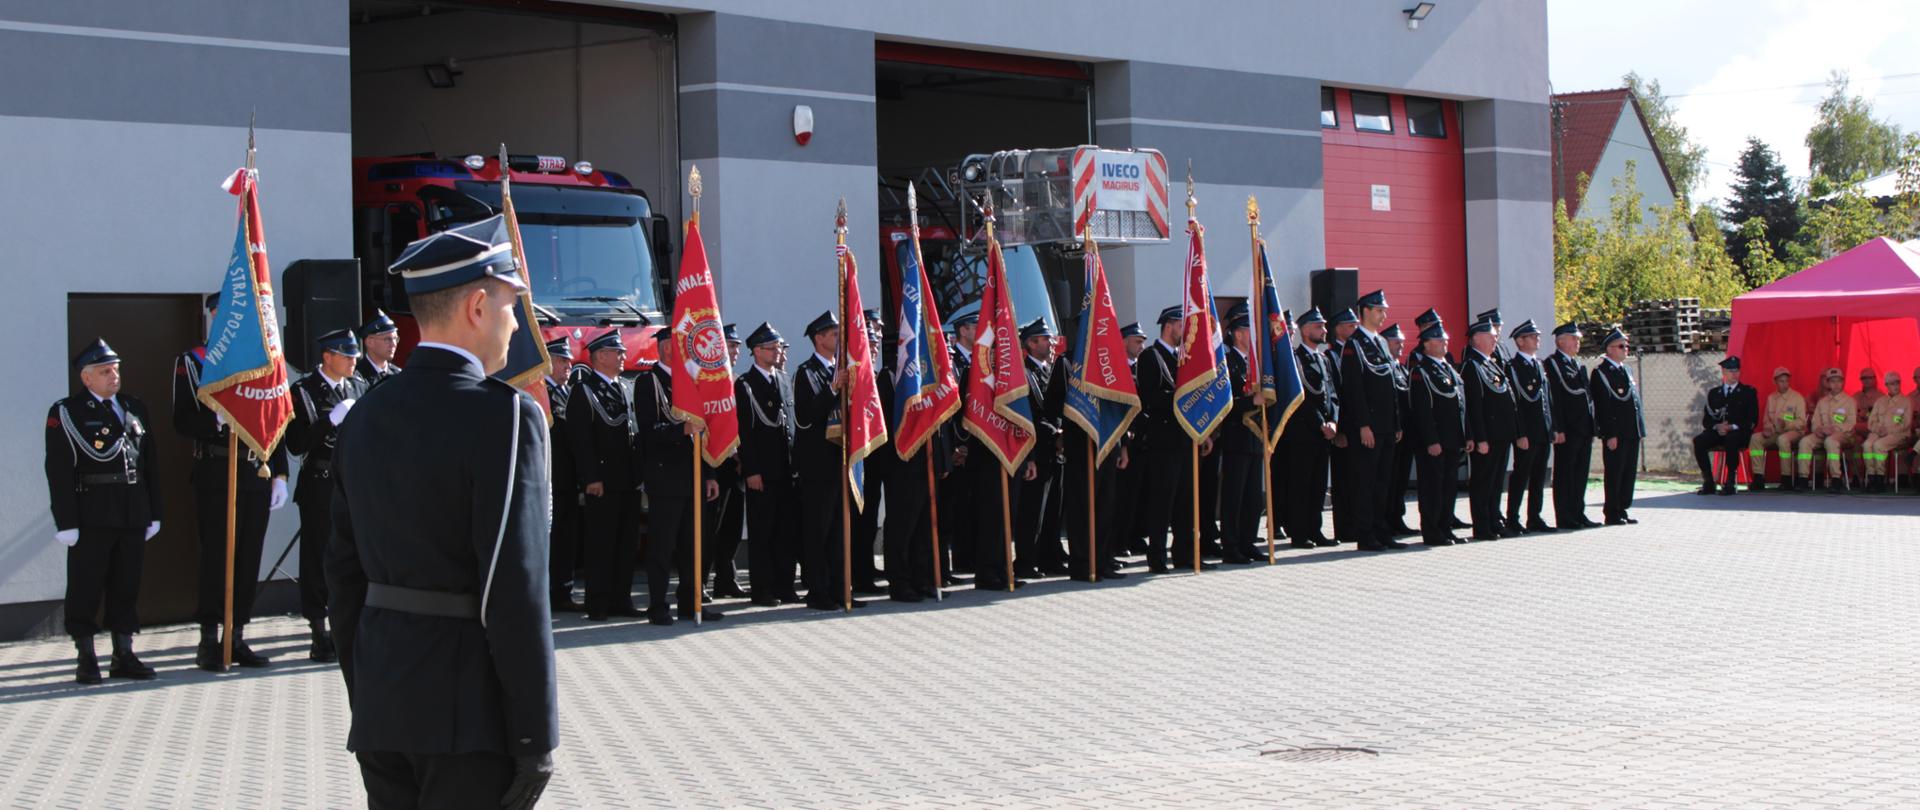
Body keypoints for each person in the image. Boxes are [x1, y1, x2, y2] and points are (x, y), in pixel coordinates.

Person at [325, 214, 556, 809]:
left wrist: (366, 692)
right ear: (477, 306)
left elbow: (343, 576)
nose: (516, 322)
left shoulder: (365, 414)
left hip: (382, 700)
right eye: (510, 305)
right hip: (468, 712)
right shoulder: (505, 416)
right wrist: (534, 735)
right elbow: (514, 586)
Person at [176, 292, 289, 671]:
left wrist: (280, 472)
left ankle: (236, 635)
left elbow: (275, 415)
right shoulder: (194, 362)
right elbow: (180, 420)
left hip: (255, 470)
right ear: (212, 317)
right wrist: (215, 421)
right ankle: (209, 639)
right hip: (217, 469)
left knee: (248, 557)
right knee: (217, 557)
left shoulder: (261, 360)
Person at [46, 339, 160, 684]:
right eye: (105, 371)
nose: (114, 376)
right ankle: (86, 656)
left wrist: (154, 511)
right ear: (86, 378)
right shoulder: (68, 412)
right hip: (93, 512)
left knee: (126, 585)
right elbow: (59, 470)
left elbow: (150, 464)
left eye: (116, 369)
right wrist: (66, 521)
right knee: (86, 586)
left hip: (132, 510)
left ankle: (123, 653)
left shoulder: (133, 407)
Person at [285, 328, 369, 662]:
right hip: (320, 483)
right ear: (327, 357)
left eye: (355, 356)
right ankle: (318, 629)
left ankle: (347, 623)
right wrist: (329, 421)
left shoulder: (359, 386)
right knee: (318, 557)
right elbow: (296, 443)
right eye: (347, 356)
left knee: (354, 556)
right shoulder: (304, 391)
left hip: (353, 483)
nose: (353, 362)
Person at [633, 340, 725, 625]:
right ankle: (658, 605)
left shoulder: (692, 381)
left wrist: (709, 474)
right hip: (665, 477)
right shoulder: (649, 382)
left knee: (692, 545)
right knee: (662, 546)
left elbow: (703, 434)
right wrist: (680, 429)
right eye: (679, 343)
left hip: (693, 476)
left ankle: (690, 602)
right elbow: (648, 430)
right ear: (665, 348)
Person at [568, 330, 642, 621]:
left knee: (626, 544)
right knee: (601, 544)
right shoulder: (585, 390)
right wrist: (591, 477)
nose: (624, 356)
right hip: (603, 481)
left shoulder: (625, 387)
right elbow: (581, 439)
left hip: (628, 479)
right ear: (600, 356)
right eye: (617, 352)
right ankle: (597, 603)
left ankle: (621, 599)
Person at [794, 311, 866, 608]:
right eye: (834, 334)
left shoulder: (841, 368)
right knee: (818, 531)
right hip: (818, 465)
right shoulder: (806, 373)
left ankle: (841, 589)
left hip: (842, 462)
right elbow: (806, 416)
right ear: (819, 338)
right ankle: (818, 591)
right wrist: (833, 388)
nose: (838, 338)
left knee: (840, 531)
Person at [737, 322, 800, 606]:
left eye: (778, 347)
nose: (777, 352)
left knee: (786, 531)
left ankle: (785, 586)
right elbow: (746, 432)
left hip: (786, 468)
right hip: (762, 471)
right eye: (771, 348)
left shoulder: (783, 379)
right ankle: (762, 589)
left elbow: (790, 426)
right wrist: (752, 470)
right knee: (762, 533)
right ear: (756, 351)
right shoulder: (746, 385)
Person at [1338, 290, 1406, 551]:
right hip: (1369, 427)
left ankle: (1382, 530)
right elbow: (1353, 389)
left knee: (1383, 482)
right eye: (1379, 310)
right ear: (1365, 311)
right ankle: (1365, 534)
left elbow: (1391, 387)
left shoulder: (1380, 342)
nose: (1383, 315)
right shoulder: (1354, 345)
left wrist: (1396, 423)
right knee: (1366, 482)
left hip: (1387, 425)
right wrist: (1363, 425)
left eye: (1384, 310)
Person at [1135, 306, 1201, 571]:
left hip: (1185, 438)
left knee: (1186, 502)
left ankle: (1185, 555)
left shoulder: (1181, 357)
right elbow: (1150, 397)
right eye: (1181, 325)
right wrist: (1181, 397)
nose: (1184, 331)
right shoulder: (1151, 356)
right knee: (1162, 502)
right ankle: (1157, 557)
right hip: (1163, 440)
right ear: (1169, 325)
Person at [1276, 308, 1339, 549]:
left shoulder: (1323, 359)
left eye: (1323, 326)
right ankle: (1300, 533)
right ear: (1304, 330)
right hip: (1304, 432)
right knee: (1301, 485)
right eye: (1318, 326)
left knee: (1318, 485)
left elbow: (1331, 394)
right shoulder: (1295, 359)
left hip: (1324, 433)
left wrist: (1333, 421)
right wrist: (1320, 423)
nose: (1324, 330)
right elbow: (1300, 397)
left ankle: (1315, 529)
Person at [1014, 318, 1067, 577]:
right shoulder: (1025, 374)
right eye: (1045, 339)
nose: (1051, 342)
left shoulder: (1052, 370)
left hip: (1056, 451)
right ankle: (1026, 561)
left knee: (1053, 510)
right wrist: (1054, 434)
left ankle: (1050, 557)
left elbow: (1059, 407)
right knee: (1033, 511)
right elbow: (1031, 415)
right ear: (1031, 344)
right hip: (1038, 450)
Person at [1405, 325, 1465, 546]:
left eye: (1445, 340)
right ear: (1427, 344)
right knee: (1432, 488)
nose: (1444, 343)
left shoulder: (1447, 369)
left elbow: (1460, 405)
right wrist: (1431, 440)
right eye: (1439, 340)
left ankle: (1445, 527)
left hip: (1451, 439)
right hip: (1434, 441)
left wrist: (1465, 435)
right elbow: (1421, 410)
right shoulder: (1421, 371)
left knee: (1449, 487)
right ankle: (1432, 531)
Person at [704, 324, 749, 600]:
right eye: (730, 346)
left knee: (733, 526)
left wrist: (743, 456)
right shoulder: (710, 383)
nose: (735, 351)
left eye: (736, 347)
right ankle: (701, 582)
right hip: (716, 463)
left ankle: (726, 578)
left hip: (737, 464)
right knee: (712, 527)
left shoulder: (738, 382)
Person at [1459, 319, 1515, 540]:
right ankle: (1482, 526)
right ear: (1477, 338)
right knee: (1483, 482)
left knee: (1496, 481)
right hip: (1487, 436)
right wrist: (1479, 437)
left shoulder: (1490, 363)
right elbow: (1474, 406)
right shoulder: (1472, 366)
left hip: (1501, 434)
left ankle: (1494, 520)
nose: (1495, 339)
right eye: (1491, 336)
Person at [1218, 305, 1265, 563]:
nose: (1254, 336)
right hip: (1236, 436)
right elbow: (1224, 403)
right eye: (1249, 331)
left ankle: (1248, 542)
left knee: (1253, 497)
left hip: (1256, 437)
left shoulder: (1256, 364)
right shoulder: (1227, 363)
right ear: (1237, 334)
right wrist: (1250, 402)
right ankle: (1231, 545)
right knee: (1234, 496)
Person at [543, 337, 584, 612]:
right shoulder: (542, 392)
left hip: (569, 478)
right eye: (561, 360)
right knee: (552, 536)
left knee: (567, 537)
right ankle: (547, 592)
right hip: (551, 477)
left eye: (569, 361)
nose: (568, 365)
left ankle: (563, 590)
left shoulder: (568, 392)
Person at [1546, 322, 1598, 529]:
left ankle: (1578, 512)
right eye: (1573, 338)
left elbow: (1587, 397)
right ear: (1561, 341)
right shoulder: (1553, 364)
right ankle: (1565, 516)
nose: (1578, 342)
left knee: (1580, 474)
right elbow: (1555, 398)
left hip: (1583, 427)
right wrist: (1558, 428)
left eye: (1578, 338)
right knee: (1565, 474)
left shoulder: (1576, 364)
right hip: (1568, 428)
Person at [1504, 320, 1554, 533]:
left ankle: (1535, 517)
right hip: (1527, 432)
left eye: (1537, 336)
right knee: (1521, 476)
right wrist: (1520, 433)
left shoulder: (1539, 364)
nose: (1537, 339)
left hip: (1542, 430)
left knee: (1539, 477)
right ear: (1520, 341)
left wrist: (1551, 427)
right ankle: (1512, 519)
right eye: (1533, 336)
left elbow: (1547, 400)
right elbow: (1515, 404)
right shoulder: (1513, 367)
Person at [1589, 329, 1644, 523]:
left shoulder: (1626, 370)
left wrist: (1640, 428)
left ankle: (1622, 508)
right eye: (1621, 346)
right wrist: (1609, 433)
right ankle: (1612, 511)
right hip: (1616, 432)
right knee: (1615, 472)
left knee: (1628, 472)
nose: (1625, 349)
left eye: (1626, 346)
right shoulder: (1601, 373)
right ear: (1610, 349)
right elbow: (1603, 406)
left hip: (1632, 430)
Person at [1690, 357, 1759, 496]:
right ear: (1724, 372)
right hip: (1719, 431)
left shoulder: (1748, 392)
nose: (1735, 374)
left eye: (1737, 370)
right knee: (1699, 441)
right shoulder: (1714, 393)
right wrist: (1718, 426)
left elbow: (1752, 419)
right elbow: (1707, 421)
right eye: (1731, 371)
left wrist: (1731, 427)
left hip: (1739, 432)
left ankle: (1730, 481)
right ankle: (1709, 481)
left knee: (1731, 439)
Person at [1796, 368, 1858, 492]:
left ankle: (1836, 479)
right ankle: (1803, 479)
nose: (1836, 384)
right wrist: (1818, 429)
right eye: (1832, 381)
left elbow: (1851, 423)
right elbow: (1815, 421)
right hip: (1823, 434)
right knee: (1805, 442)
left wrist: (1834, 429)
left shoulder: (1850, 401)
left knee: (1831, 441)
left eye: (1838, 381)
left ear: (1843, 382)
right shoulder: (1822, 402)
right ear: (1828, 383)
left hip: (1843, 435)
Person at [1382, 323, 1417, 537]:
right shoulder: (1383, 367)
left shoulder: (1402, 368)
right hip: (1392, 431)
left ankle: (1397, 517)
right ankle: (1386, 519)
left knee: (1401, 479)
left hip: (1406, 432)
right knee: (1389, 479)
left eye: (1402, 342)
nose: (1401, 345)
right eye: (1396, 342)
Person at [1746, 367, 1806, 491]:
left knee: (1783, 440)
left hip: (1794, 432)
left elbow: (1801, 423)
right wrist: (1768, 428)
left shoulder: (1797, 398)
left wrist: (1787, 424)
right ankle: (1758, 477)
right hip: (1775, 432)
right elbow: (1766, 420)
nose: (1784, 384)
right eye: (1781, 381)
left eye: (1786, 381)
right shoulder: (1771, 398)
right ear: (1775, 382)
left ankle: (1786, 478)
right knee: (1755, 438)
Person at [1861, 371, 1911, 492]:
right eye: (1892, 383)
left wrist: (1888, 430)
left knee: (1879, 445)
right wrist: (1878, 429)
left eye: (1897, 383)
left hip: (1898, 434)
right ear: (1886, 385)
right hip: (1878, 432)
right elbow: (1871, 421)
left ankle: (1880, 479)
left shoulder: (1906, 401)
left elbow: (1906, 424)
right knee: (1867, 444)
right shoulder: (1880, 401)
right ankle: (1871, 477)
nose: (1896, 386)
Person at [355, 309, 403, 386]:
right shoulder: (356, 377)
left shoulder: (398, 375)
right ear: (370, 342)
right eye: (387, 339)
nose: (393, 344)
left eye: (395, 339)